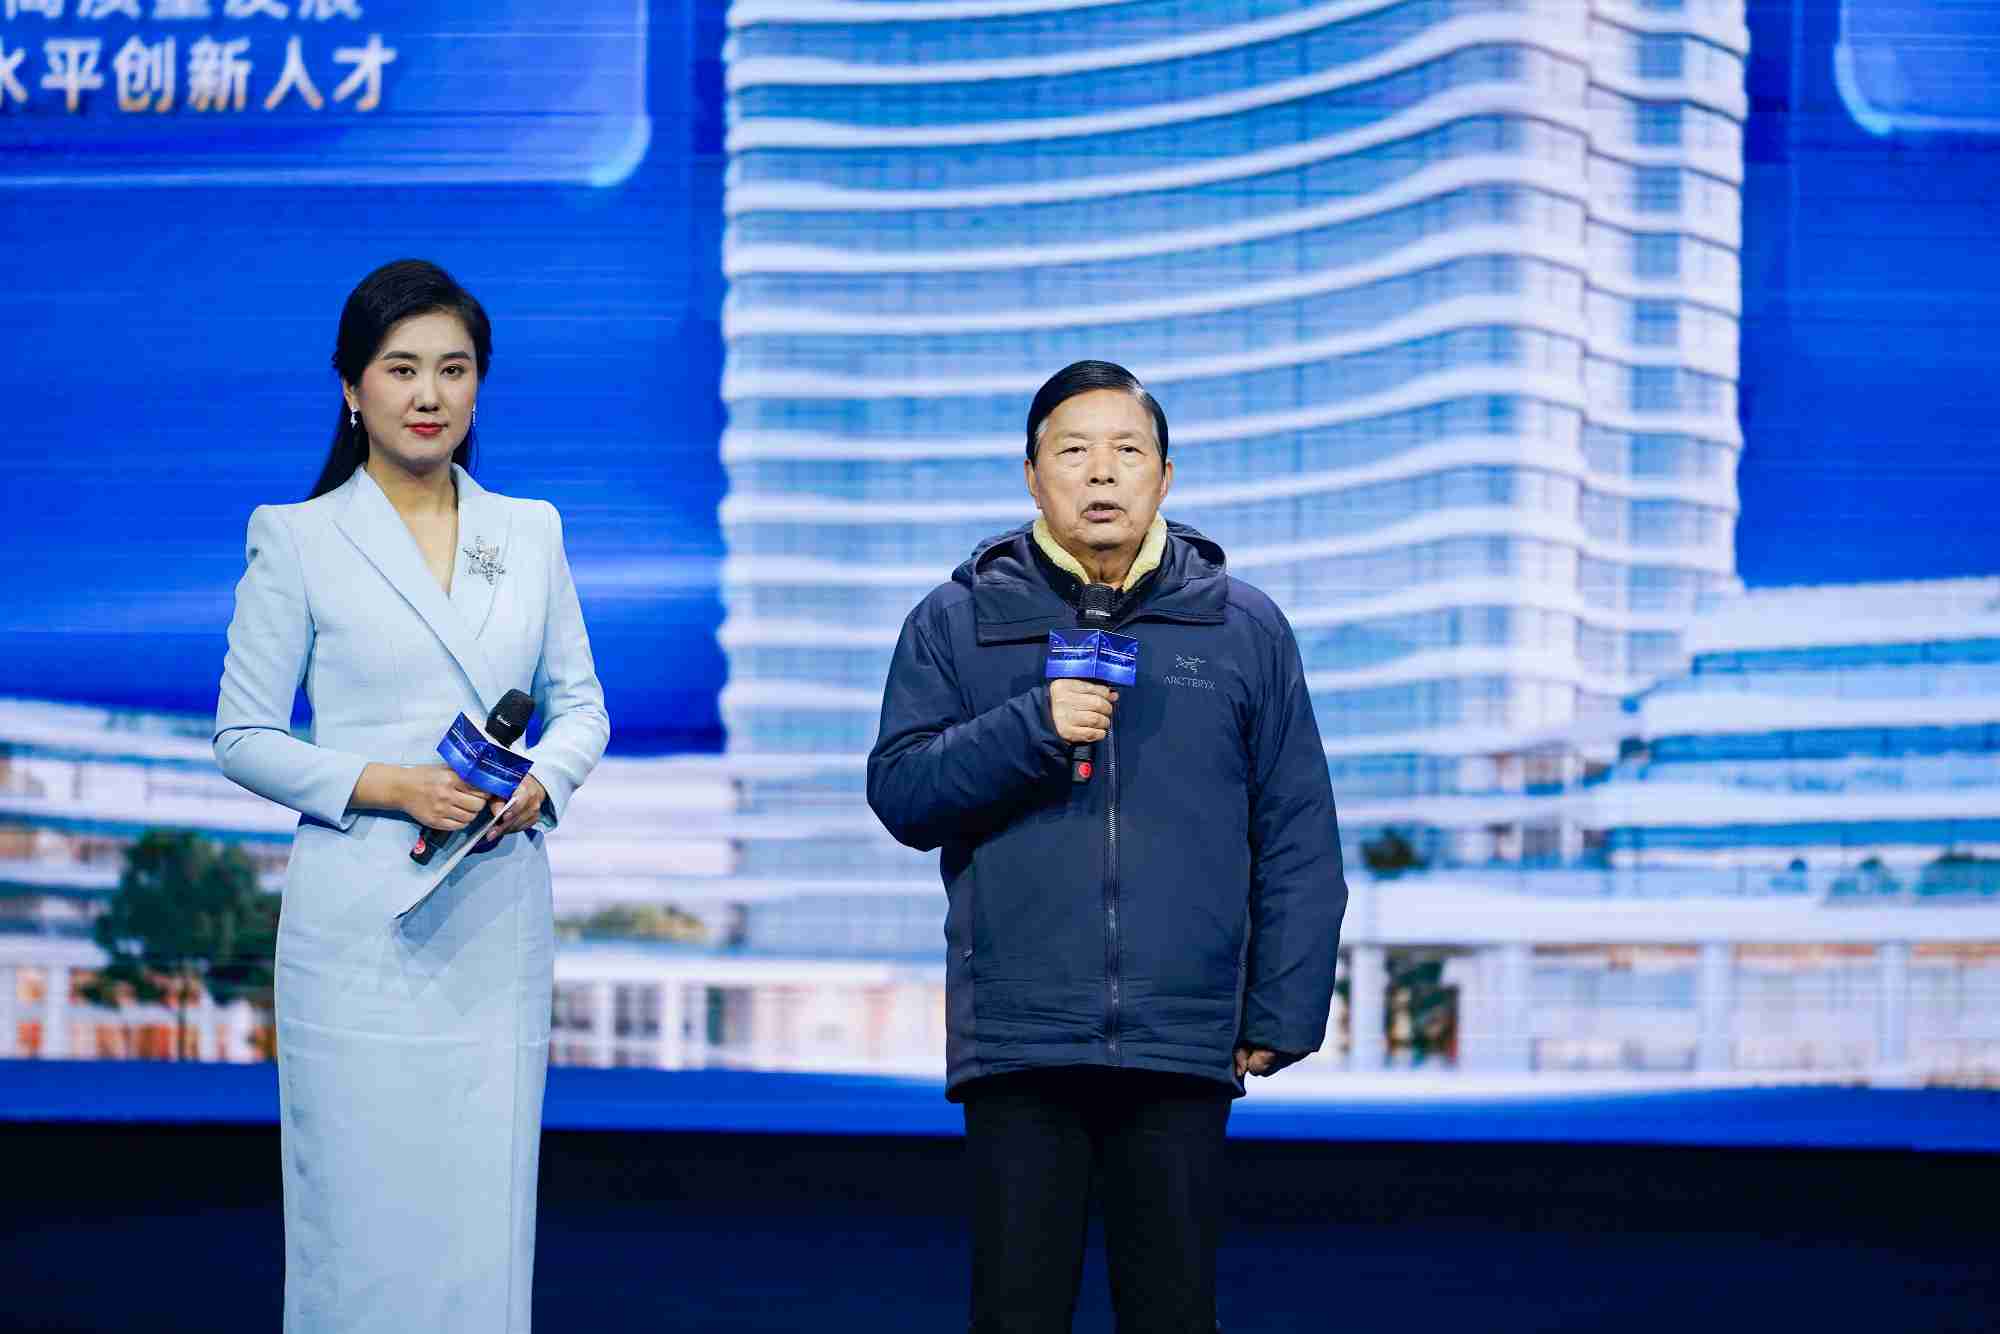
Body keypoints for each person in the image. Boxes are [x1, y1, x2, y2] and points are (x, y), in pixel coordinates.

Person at [866, 360, 1348, 1333]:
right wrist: (1031, 725)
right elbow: (903, 792)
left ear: (1164, 475)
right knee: (1016, 1312)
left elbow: (1297, 828)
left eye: (1126, 450)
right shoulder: (956, 619)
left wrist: (1283, 1004)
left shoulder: (1243, 626)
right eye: (1073, 450)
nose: (1100, 473)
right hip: (1020, 1034)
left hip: (1182, 1032)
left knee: (1173, 1312)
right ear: (1031, 474)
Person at [214, 259, 609, 1333]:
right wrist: (388, 784)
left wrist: (541, 782)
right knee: (358, 1221)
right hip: (357, 923)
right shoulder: (297, 536)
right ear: (352, 386)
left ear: (479, 385)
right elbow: (242, 735)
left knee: (483, 1219)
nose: (428, 394)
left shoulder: (529, 530)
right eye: (401, 369)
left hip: (494, 915)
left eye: (453, 368)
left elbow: (581, 708)